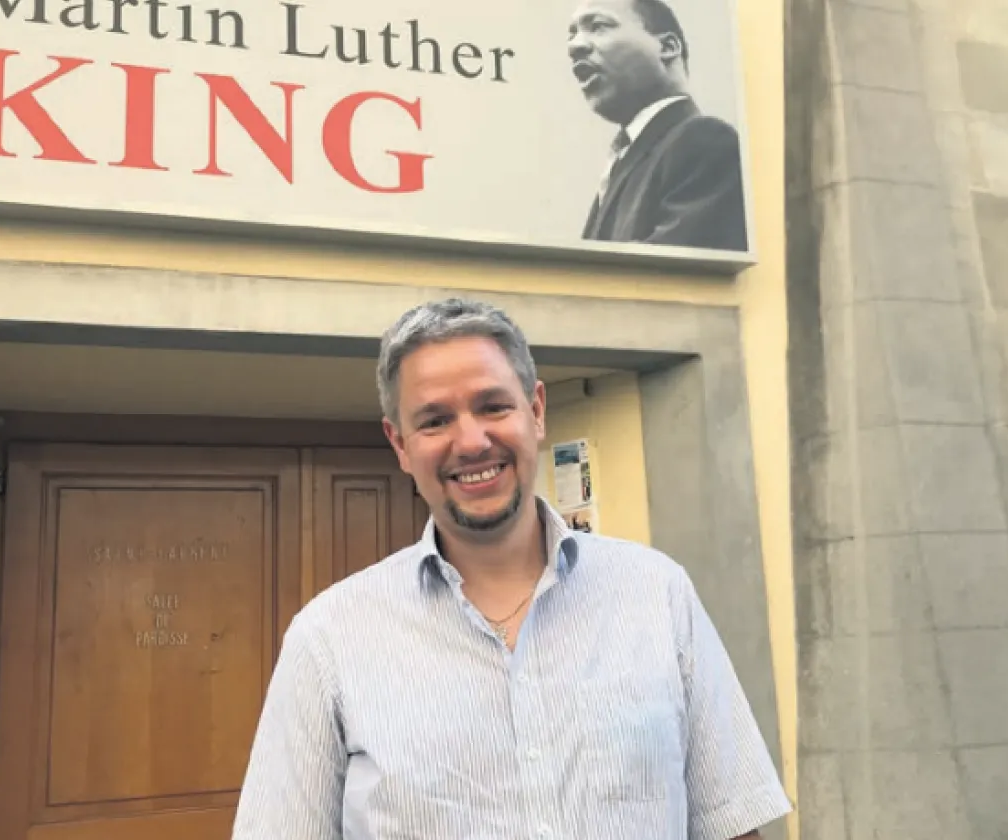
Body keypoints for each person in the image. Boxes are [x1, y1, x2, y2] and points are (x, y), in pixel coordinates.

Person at [231, 298, 791, 839]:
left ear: (537, 410)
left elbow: (730, 824)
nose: (472, 441)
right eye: (435, 420)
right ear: (399, 445)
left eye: (493, 406)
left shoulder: (656, 593)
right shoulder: (329, 639)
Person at [568, 0, 749, 252]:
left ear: (667, 47)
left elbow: (669, 274)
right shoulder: (625, 161)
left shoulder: (704, 141)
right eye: (572, 34)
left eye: (598, 26)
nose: (575, 46)